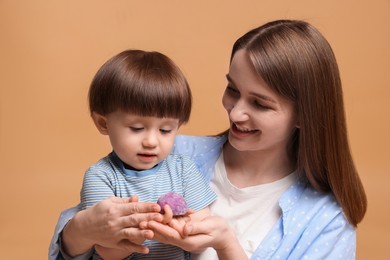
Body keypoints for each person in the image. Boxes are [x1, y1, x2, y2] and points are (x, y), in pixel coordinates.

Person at [49, 19, 367, 260]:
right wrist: (79, 232)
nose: (236, 112)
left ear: (303, 115)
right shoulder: (172, 154)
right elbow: (83, 235)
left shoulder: (326, 220)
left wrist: (226, 243)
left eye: (259, 103)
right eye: (232, 90)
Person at [53, 49, 217, 260]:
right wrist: (146, 230)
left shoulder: (184, 169)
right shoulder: (100, 176)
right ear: (104, 123)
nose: (151, 141)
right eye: (137, 128)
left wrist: (181, 227)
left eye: (165, 130)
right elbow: (107, 251)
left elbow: (202, 239)